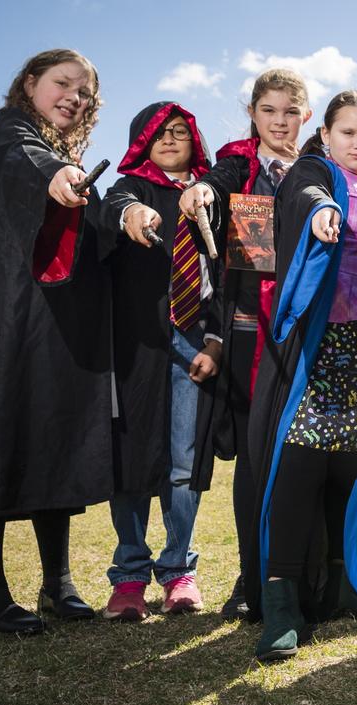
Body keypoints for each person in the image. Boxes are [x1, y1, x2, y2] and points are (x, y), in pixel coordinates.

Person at [0, 49, 111, 634]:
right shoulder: (9, 133)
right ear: (29, 83)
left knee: (54, 433)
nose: (74, 95)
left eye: (84, 91)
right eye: (62, 83)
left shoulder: (67, 149)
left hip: (52, 318)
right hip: (4, 313)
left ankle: (57, 583)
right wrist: (60, 176)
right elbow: (29, 161)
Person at [247, 90, 357, 660]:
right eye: (349, 133)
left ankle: (342, 583)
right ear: (327, 135)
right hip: (330, 341)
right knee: (301, 462)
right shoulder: (313, 171)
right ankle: (282, 598)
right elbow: (308, 194)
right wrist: (321, 212)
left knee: (349, 466)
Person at [178, 69, 312, 620]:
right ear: (253, 115)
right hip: (251, 334)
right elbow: (213, 178)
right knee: (255, 462)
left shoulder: (316, 167)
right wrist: (205, 189)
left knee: (300, 458)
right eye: (268, 111)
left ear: (305, 116)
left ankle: (300, 580)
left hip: (307, 333)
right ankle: (252, 580)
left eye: (290, 112)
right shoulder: (240, 165)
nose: (279, 122)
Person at [100, 102, 221, 620]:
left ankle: (178, 572)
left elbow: (234, 275)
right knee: (129, 462)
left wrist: (215, 341)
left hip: (196, 341)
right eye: (159, 133)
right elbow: (111, 212)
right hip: (139, 342)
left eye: (180, 132)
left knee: (182, 463)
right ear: (143, 141)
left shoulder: (213, 196)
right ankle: (129, 577)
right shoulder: (130, 188)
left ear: (195, 141)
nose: (171, 140)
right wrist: (133, 215)